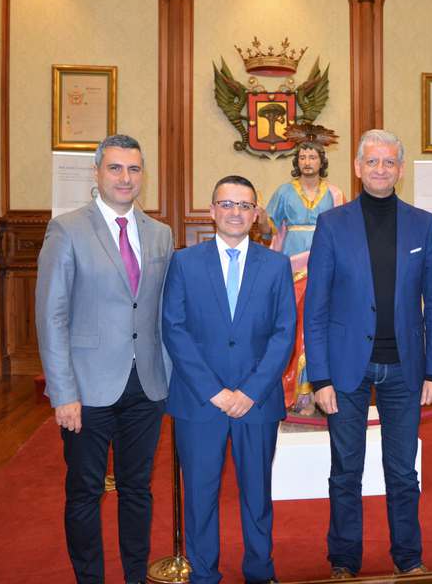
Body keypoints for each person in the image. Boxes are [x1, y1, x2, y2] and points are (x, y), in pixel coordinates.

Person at [304, 129, 432, 578]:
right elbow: (316, 307)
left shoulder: (423, 224)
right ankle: (344, 560)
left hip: (406, 369)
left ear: (400, 170)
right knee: (345, 470)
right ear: (357, 167)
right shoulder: (332, 224)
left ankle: (408, 557)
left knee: (403, 472)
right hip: (347, 367)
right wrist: (320, 377)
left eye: (388, 162)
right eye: (372, 161)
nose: (380, 169)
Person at [35, 134, 174, 584]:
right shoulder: (67, 229)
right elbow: (51, 315)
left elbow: (163, 312)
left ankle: (135, 576)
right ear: (97, 173)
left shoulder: (160, 234)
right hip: (87, 389)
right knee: (85, 492)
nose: (125, 178)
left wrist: (169, 380)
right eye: (115, 168)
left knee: (138, 490)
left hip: (146, 386)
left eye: (133, 169)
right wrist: (62, 393)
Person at [162, 175, 296, 584]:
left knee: (257, 494)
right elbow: (174, 329)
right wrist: (215, 392)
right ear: (211, 210)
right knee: (200, 494)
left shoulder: (276, 265)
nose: (235, 212)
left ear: (256, 214)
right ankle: (204, 574)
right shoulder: (184, 262)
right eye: (227, 204)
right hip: (199, 402)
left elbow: (284, 333)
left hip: (257, 402)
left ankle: (259, 571)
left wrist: (250, 392)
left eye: (244, 205)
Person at [256, 124, 344, 415]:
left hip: (323, 264)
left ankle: (317, 390)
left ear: (322, 161)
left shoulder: (335, 193)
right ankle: (294, 393)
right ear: (297, 161)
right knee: (293, 326)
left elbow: (344, 232)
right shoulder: (284, 192)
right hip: (292, 267)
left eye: (312, 156)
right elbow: (268, 232)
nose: (307, 161)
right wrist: (261, 216)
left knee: (318, 325)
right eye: (303, 156)